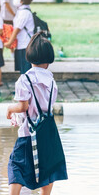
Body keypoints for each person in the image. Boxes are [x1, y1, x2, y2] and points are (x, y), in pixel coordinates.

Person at [6, 33, 68, 195]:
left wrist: (10, 109)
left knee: (16, 165)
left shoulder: (24, 80)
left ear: (29, 57)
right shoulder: (51, 82)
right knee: (48, 167)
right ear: (49, 59)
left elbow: (23, 106)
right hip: (47, 133)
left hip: (28, 133)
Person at [4, 0, 34, 74]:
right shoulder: (21, 11)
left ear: (22, 0)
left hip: (25, 45)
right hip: (21, 44)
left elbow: (17, 29)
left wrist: (9, 42)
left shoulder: (24, 12)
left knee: (26, 71)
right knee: (23, 71)